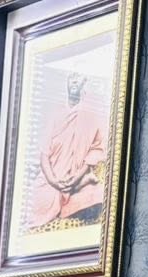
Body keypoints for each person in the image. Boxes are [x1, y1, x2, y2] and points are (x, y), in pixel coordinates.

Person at [27, 73, 108, 229]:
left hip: (77, 176)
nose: (75, 81)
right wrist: (53, 180)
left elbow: (96, 150)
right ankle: (79, 184)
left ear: (84, 83)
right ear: (66, 83)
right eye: (72, 77)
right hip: (52, 179)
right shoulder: (55, 114)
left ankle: (82, 183)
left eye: (79, 77)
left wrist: (76, 178)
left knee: (95, 197)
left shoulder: (91, 114)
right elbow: (44, 155)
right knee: (38, 200)